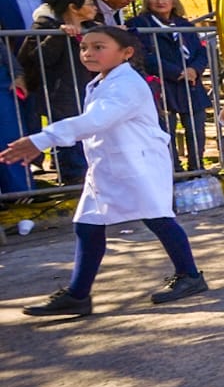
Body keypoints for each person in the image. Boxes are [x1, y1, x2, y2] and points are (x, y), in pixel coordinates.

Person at [2, 24, 209, 316]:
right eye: (84, 47)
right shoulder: (103, 81)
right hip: (108, 165)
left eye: (98, 47)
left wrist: (42, 139)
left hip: (137, 163)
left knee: (158, 217)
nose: (88, 53)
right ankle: (78, 295)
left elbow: (96, 120)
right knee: (88, 225)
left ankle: (190, 275)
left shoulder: (126, 84)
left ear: (126, 52)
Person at [18, 0, 99, 185]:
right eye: (89, 4)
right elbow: (37, 57)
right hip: (59, 90)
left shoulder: (92, 27)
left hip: (85, 86)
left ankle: (86, 172)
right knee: (66, 133)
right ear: (73, 7)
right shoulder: (45, 26)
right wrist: (58, 35)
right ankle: (73, 176)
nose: (94, 8)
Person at [127, 0, 210, 173]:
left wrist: (194, 70)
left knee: (196, 129)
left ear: (173, 1)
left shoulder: (184, 24)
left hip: (191, 84)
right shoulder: (140, 24)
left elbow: (200, 51)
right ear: (147, 2)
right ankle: (173, 170)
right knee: (166, 131)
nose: (160, 1)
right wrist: (176, 72)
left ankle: (197, 168)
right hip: (163, 84)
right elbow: (143, 55)